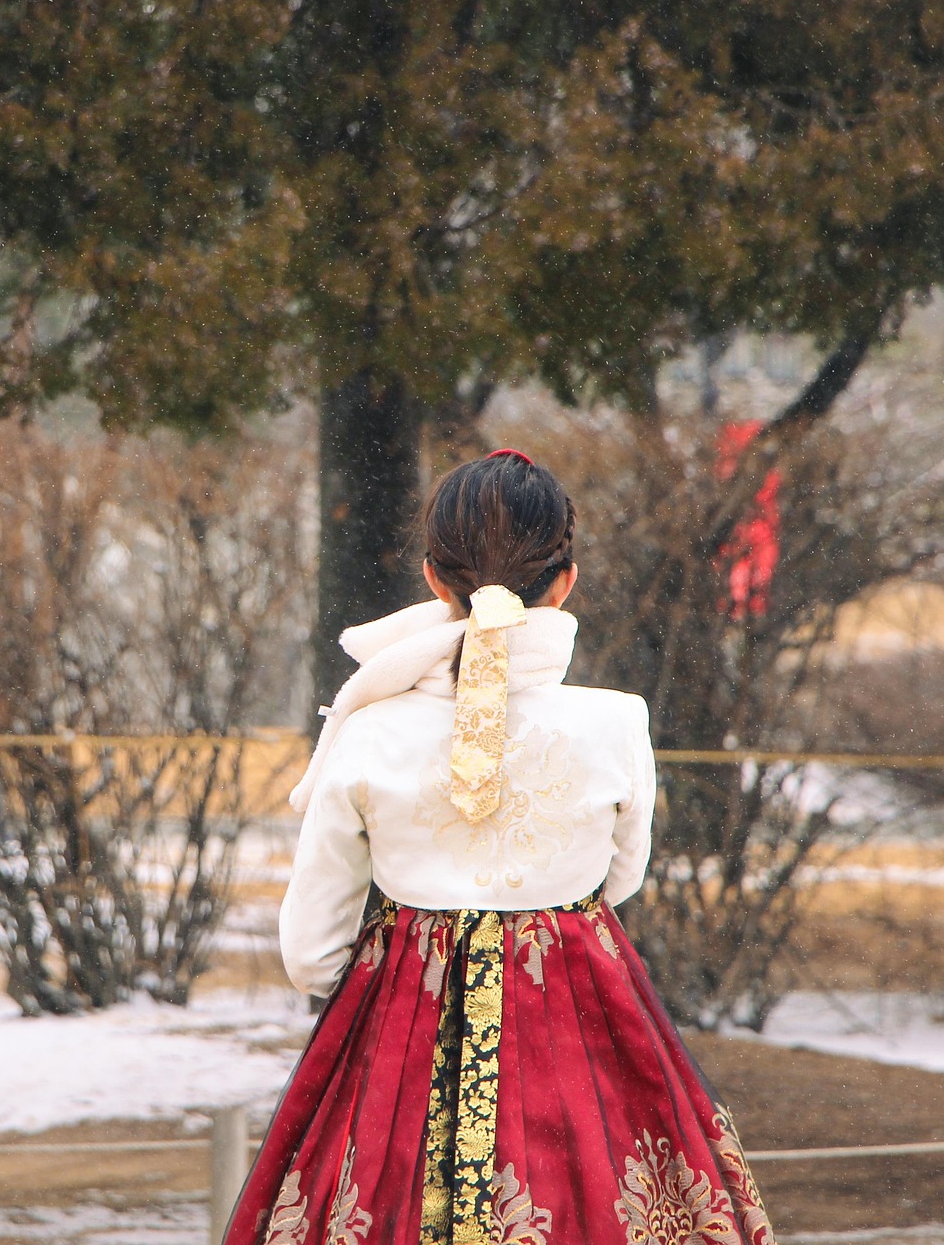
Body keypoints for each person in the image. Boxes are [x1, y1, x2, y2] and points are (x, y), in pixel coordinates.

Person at [224, 450, 776, 1245]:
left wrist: (405, 965)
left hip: (401, 1049)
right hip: (578, 1033)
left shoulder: (369, 731)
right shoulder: (616, 722)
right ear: (565, 581)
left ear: (432, 578)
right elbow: (616, 883)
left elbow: (311, 955)